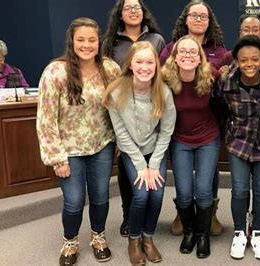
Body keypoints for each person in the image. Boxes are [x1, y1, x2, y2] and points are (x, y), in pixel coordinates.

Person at [36, 17, 121, 266]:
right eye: (81, 39)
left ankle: (98, 237)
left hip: (101, 146)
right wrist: (56, 157)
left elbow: (119, 108)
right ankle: (70, 242)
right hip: (68, 150)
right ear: (72, 42)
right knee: (73, 201)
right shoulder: (55, 72)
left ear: (99, 41)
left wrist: (119, 141)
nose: (87, 45)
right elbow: (46, 118)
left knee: (100, 196)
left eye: (92, 40)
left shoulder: (110, 69)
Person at [103, 41, 176, 264]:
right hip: (130, 151)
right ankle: (134, 240)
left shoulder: (163, 91)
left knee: (157, 192)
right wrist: (141, 166)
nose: (145, 67)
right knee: (142, 194)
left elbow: (166, 131)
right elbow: (121, 134)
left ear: (156, 64)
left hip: (155, 151)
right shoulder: (116, 92)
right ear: (130, 65)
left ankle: (148, 238)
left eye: (150, 62)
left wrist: (153, 165)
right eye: (139, 62)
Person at [160, 0, 226, 237]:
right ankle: (183, 213)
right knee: (185, 185)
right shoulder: (169, 49)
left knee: (207, 180)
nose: (199, 20)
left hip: (209, 125)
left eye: (204, 16)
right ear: (185, 19)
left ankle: (211, 214)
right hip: (179, 131)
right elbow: (160, 83)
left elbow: (224, 85)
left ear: (210, 22)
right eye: (194, 15)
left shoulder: (219, 50)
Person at [102, 0, 166, 238]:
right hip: (120, 110)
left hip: (149, 108)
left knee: (149, 182)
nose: (132, 11)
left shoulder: (156, 40)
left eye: (136, 7)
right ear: (120, 14)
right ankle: (129, 216)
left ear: (143, 12)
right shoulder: (110, 42)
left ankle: (144, 221)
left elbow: (160, 75)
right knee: (126, 171)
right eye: (127, 8)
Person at [217, 35, 260, 261]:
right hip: (238, 143)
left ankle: (257, 232)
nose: (249, 64)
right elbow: (220, 110)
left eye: (255, 59)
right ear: (236, 61)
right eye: (244, 60)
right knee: (240, 190)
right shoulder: (226, 82)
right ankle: (240, 232)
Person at [161, 35, 219, 259]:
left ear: (199, 58)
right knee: (184, 193)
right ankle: (189, 232)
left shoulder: (210, 76)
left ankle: (203, 235)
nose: (187, 55)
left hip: (208, 138)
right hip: (180, 140)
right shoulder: (165, 79)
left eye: (192, 52)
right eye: (182, 51)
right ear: (174, 57)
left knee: (204, 190)